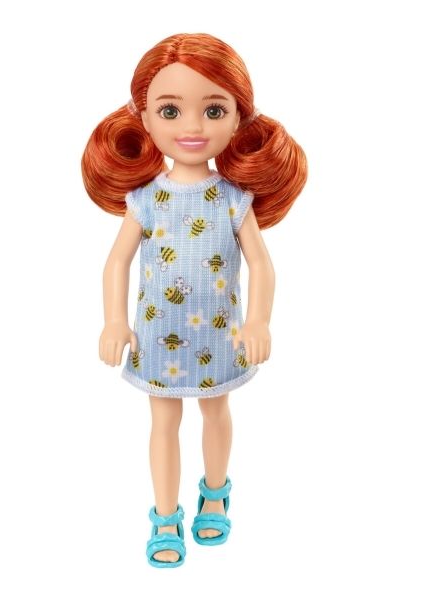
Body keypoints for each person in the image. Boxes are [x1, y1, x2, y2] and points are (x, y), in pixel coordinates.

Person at [82, 33, 307, 568]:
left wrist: (258, 321)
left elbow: (261, 264)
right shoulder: (144, 199)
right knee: (163, 423)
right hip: (157, 337)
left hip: (219, 337)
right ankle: (165, 516)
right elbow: (116, 262)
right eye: (170, 110)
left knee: (215, 413)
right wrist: (114, 320)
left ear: (238, 118)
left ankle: (214, 493)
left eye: (213, 110)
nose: (192, 126)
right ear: (144, 117)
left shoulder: (233, 198)